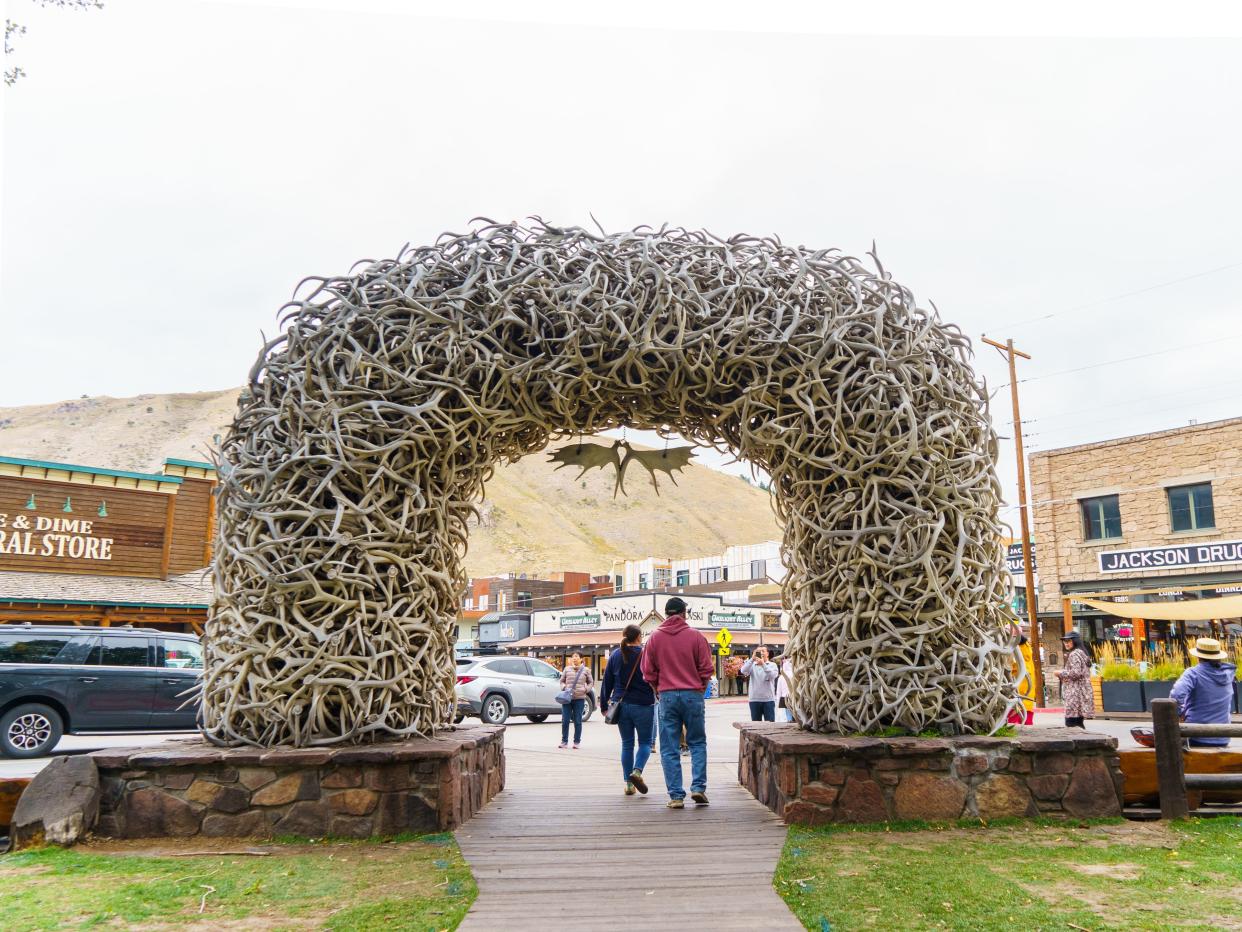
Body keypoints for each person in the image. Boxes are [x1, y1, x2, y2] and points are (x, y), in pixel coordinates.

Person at [641, 596, 713, 809]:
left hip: (668, 695)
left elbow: (647, 672)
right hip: (693, 694)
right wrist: (700, 687)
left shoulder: (654, 638)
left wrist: (657, 690)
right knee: (697, 742)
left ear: (666, 614)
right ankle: (698, 788)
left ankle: (676, 796)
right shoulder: (696, 636)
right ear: (684, 613)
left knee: (669, 747)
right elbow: (707, 669)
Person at [600, 624, 657, 795]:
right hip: (643, 704)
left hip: (621, 705)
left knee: (627, 744)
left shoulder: (616, 655)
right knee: (645, 743)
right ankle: (637, 772)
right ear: (639, 636)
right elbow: (655, 676)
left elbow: (606, 682)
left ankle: (629, 785)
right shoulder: (646, 653)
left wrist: (604, 706)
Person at [1170, 637, 1237, 747]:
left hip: (1195, 736)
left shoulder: (1193, 673)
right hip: (1223, 737)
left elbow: (1176, 694)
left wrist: (1180, 712)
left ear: (1198, 656)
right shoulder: (1228, 674)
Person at [1055, 631, 1094, 728]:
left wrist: (1060, 673)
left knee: (1071, 723)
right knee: (1078, 723)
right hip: (1082, 692)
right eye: (1064, 641)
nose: (1066, 643)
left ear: (1075, 641)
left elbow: (1075, 673)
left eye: (1068, 641)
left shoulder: (1074, 654)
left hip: (1074, 693)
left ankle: (1082, 742)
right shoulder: (1082, 653)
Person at [557, 652, 593, 750]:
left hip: (579, 699)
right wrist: (564, 687)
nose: (574, 658)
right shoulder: (566, 669)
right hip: (567, 699)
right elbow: (561, 681)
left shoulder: (586, 670)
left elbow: (591, 682)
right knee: (565, 721)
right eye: (573, 657)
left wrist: (585, 690)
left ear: (581, 659)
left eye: (576, 657)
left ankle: (577, 742)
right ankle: (564, 741)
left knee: (577, 721)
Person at [1008, 626, 1036, 726]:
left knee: (1018, 713)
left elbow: (1013, 664)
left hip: (1021, 683)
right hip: (1023, 681)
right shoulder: (1025, 645)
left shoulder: (1020, 646)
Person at [741, 647, 779, 722]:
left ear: (767, 653)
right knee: (756, 725)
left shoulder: (772, 665)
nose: (761, 653)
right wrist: (752, 659)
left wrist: (763, 665)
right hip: (754, 700)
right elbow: (743, 671)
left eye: (763, 651)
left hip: (768, 700)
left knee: (770, 725)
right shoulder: (752, 665)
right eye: (758, 651)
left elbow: (773, 675)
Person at [775, 654, 794, 723]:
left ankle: (789, 722)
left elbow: (778, 692)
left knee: (787, 715)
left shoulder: (781, 677)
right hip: (793, 697)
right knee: (794, 714)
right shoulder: (794, 675)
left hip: (784, 698)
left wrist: (777, 702)